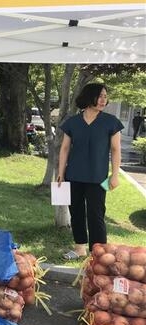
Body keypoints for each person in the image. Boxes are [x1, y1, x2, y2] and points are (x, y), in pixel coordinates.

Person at [57, 83, 123, 260]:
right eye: (100, 96)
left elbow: (116, 150)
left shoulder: (111, 122)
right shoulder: (72, 122)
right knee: (76, 212)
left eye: (105, 96)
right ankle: (79, 248)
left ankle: (99, 253)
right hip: (74, 176)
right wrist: (61, 173)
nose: (104, 100)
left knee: (96, 215)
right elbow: (64, 149)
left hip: (97, 177)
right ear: (89, 97)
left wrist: (115, 175)